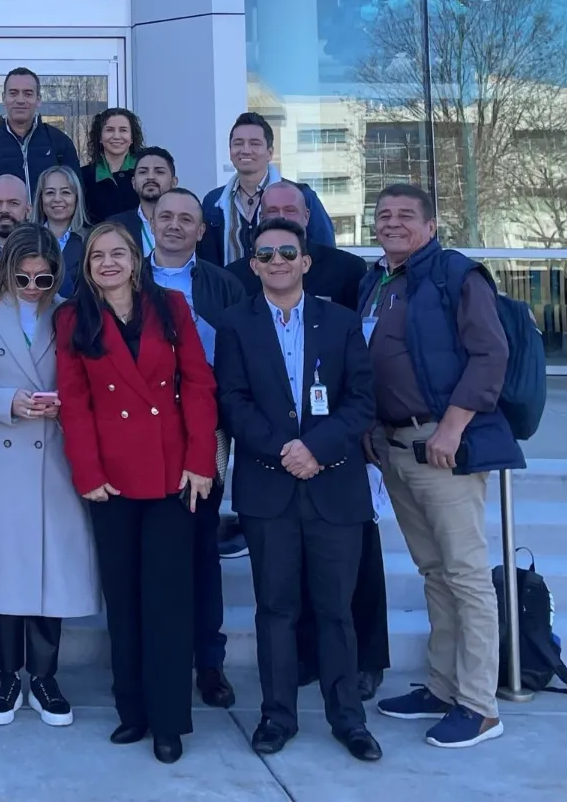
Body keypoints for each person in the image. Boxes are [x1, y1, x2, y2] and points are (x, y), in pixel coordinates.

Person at [216, 218, 382, 763]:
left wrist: (317, 449)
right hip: (269, 488)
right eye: (265, 255)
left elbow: (361, 400)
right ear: (254, 265)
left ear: (306, 261)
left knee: (335, 610)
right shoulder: (235, 324)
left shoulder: (340, 321)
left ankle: (347, 720)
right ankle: (277, 715)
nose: (277, 261)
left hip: (334, 484)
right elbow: (233, 402)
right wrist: (285, 449)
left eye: (288, 252)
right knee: (276, 609)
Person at [363, 183, 518, 750]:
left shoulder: (456, 275)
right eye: (384, 215)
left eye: (406, 215)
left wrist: (452, 427)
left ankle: (478, 706)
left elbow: (490, 353)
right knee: (434, 572)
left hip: (442, 441)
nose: (393, 223)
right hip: (395, 444)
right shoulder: (376, 281)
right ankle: (442, 684)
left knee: (467, 575)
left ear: (430, 224)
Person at [55, 222, 217, 765]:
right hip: (112, 479)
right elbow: (74, 403)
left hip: (173, 475)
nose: (107, 262)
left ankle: (169, 721)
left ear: (136, 258)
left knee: (167, 603)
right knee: (123, 601)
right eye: (97, 255)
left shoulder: (170, 307)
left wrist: (201, 461)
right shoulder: (73, 318)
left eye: (117, 253)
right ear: (86, 265)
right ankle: (134, 713)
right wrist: (88, 472)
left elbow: (198, 384)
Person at [0, 223, 99, 729]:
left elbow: (92, 381)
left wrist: (66, 406)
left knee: (50, 569)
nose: (33, 286)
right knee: (4, 569)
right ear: (6, 269)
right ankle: (8, 674)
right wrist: (7, 401)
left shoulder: (71, 313)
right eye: (23, 277)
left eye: (43, 277)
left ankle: (45, 676)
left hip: (56, 454)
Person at [147, 187, 248, 709]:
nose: (175, 226)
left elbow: (237, 359)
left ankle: (209, 663)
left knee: (201, 548)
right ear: (152, 221)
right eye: (166, 216)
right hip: (140, 435)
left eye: (186, 219)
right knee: (151, 552)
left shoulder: (224, 285)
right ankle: (152, 658)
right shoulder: (125, 274)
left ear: (201, 230)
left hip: (205, 433)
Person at [202, 112, 336, 266]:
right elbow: (208, 260)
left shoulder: (300, 196)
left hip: (287, 287)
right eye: (238, 143)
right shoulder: (213, 201)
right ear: (230, 151)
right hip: (230, 289)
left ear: (270, 152)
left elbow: (326, 252)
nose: (245, 150)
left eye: (254, 143)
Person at [222, 180, 364, 310]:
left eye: (290, 210)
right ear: (261, 218)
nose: (281, 216)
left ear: (306, 216)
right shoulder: (235, 277)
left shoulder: (347, 270)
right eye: (272, 211)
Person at [0, 67, 79, 212]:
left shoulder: (59, 142)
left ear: (38, 100)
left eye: (28, 94)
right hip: (4, 232)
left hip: (49, 232)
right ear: (4, 98)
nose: (20, 100)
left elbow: (75, 194)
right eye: (13, 93)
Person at [108, 146, 178, 260]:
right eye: (143, 172)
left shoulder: (189, 223)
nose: (150, 177)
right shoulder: (116, 225)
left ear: (174, 182)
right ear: (133, 182)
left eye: (159, 171)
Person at [81, 107, 142, 224]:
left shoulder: (144, 172)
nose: (116, 136)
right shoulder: (84, 176)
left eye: (123, 130)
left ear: (132, 137)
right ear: (100, 137)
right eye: (109, 130)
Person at [37, 164, 89, 299]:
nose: (57, 199)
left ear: (76, 198)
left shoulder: (90, 241)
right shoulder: (27, 239)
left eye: (66, 192)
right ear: (40, 198)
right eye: (50, 192)